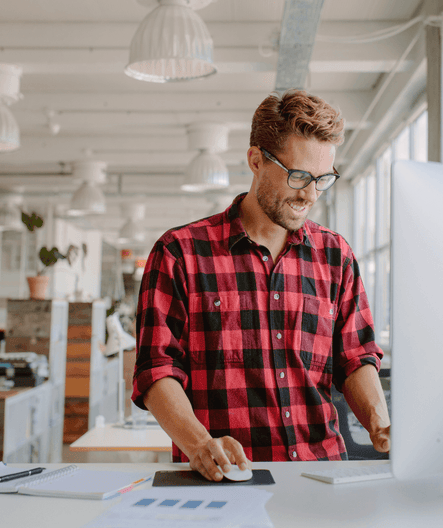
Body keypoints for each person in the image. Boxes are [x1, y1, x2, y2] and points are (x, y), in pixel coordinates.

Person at [132, 90, 390, 482]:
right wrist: (200, 443)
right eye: (299, 175)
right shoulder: (179, 253)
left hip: (322, 476)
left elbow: (356, 357)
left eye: (323, 179)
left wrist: (380, 424)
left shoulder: (336, 255)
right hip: (225, 479)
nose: (310, 194)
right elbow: (157, 370)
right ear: (256, 161)